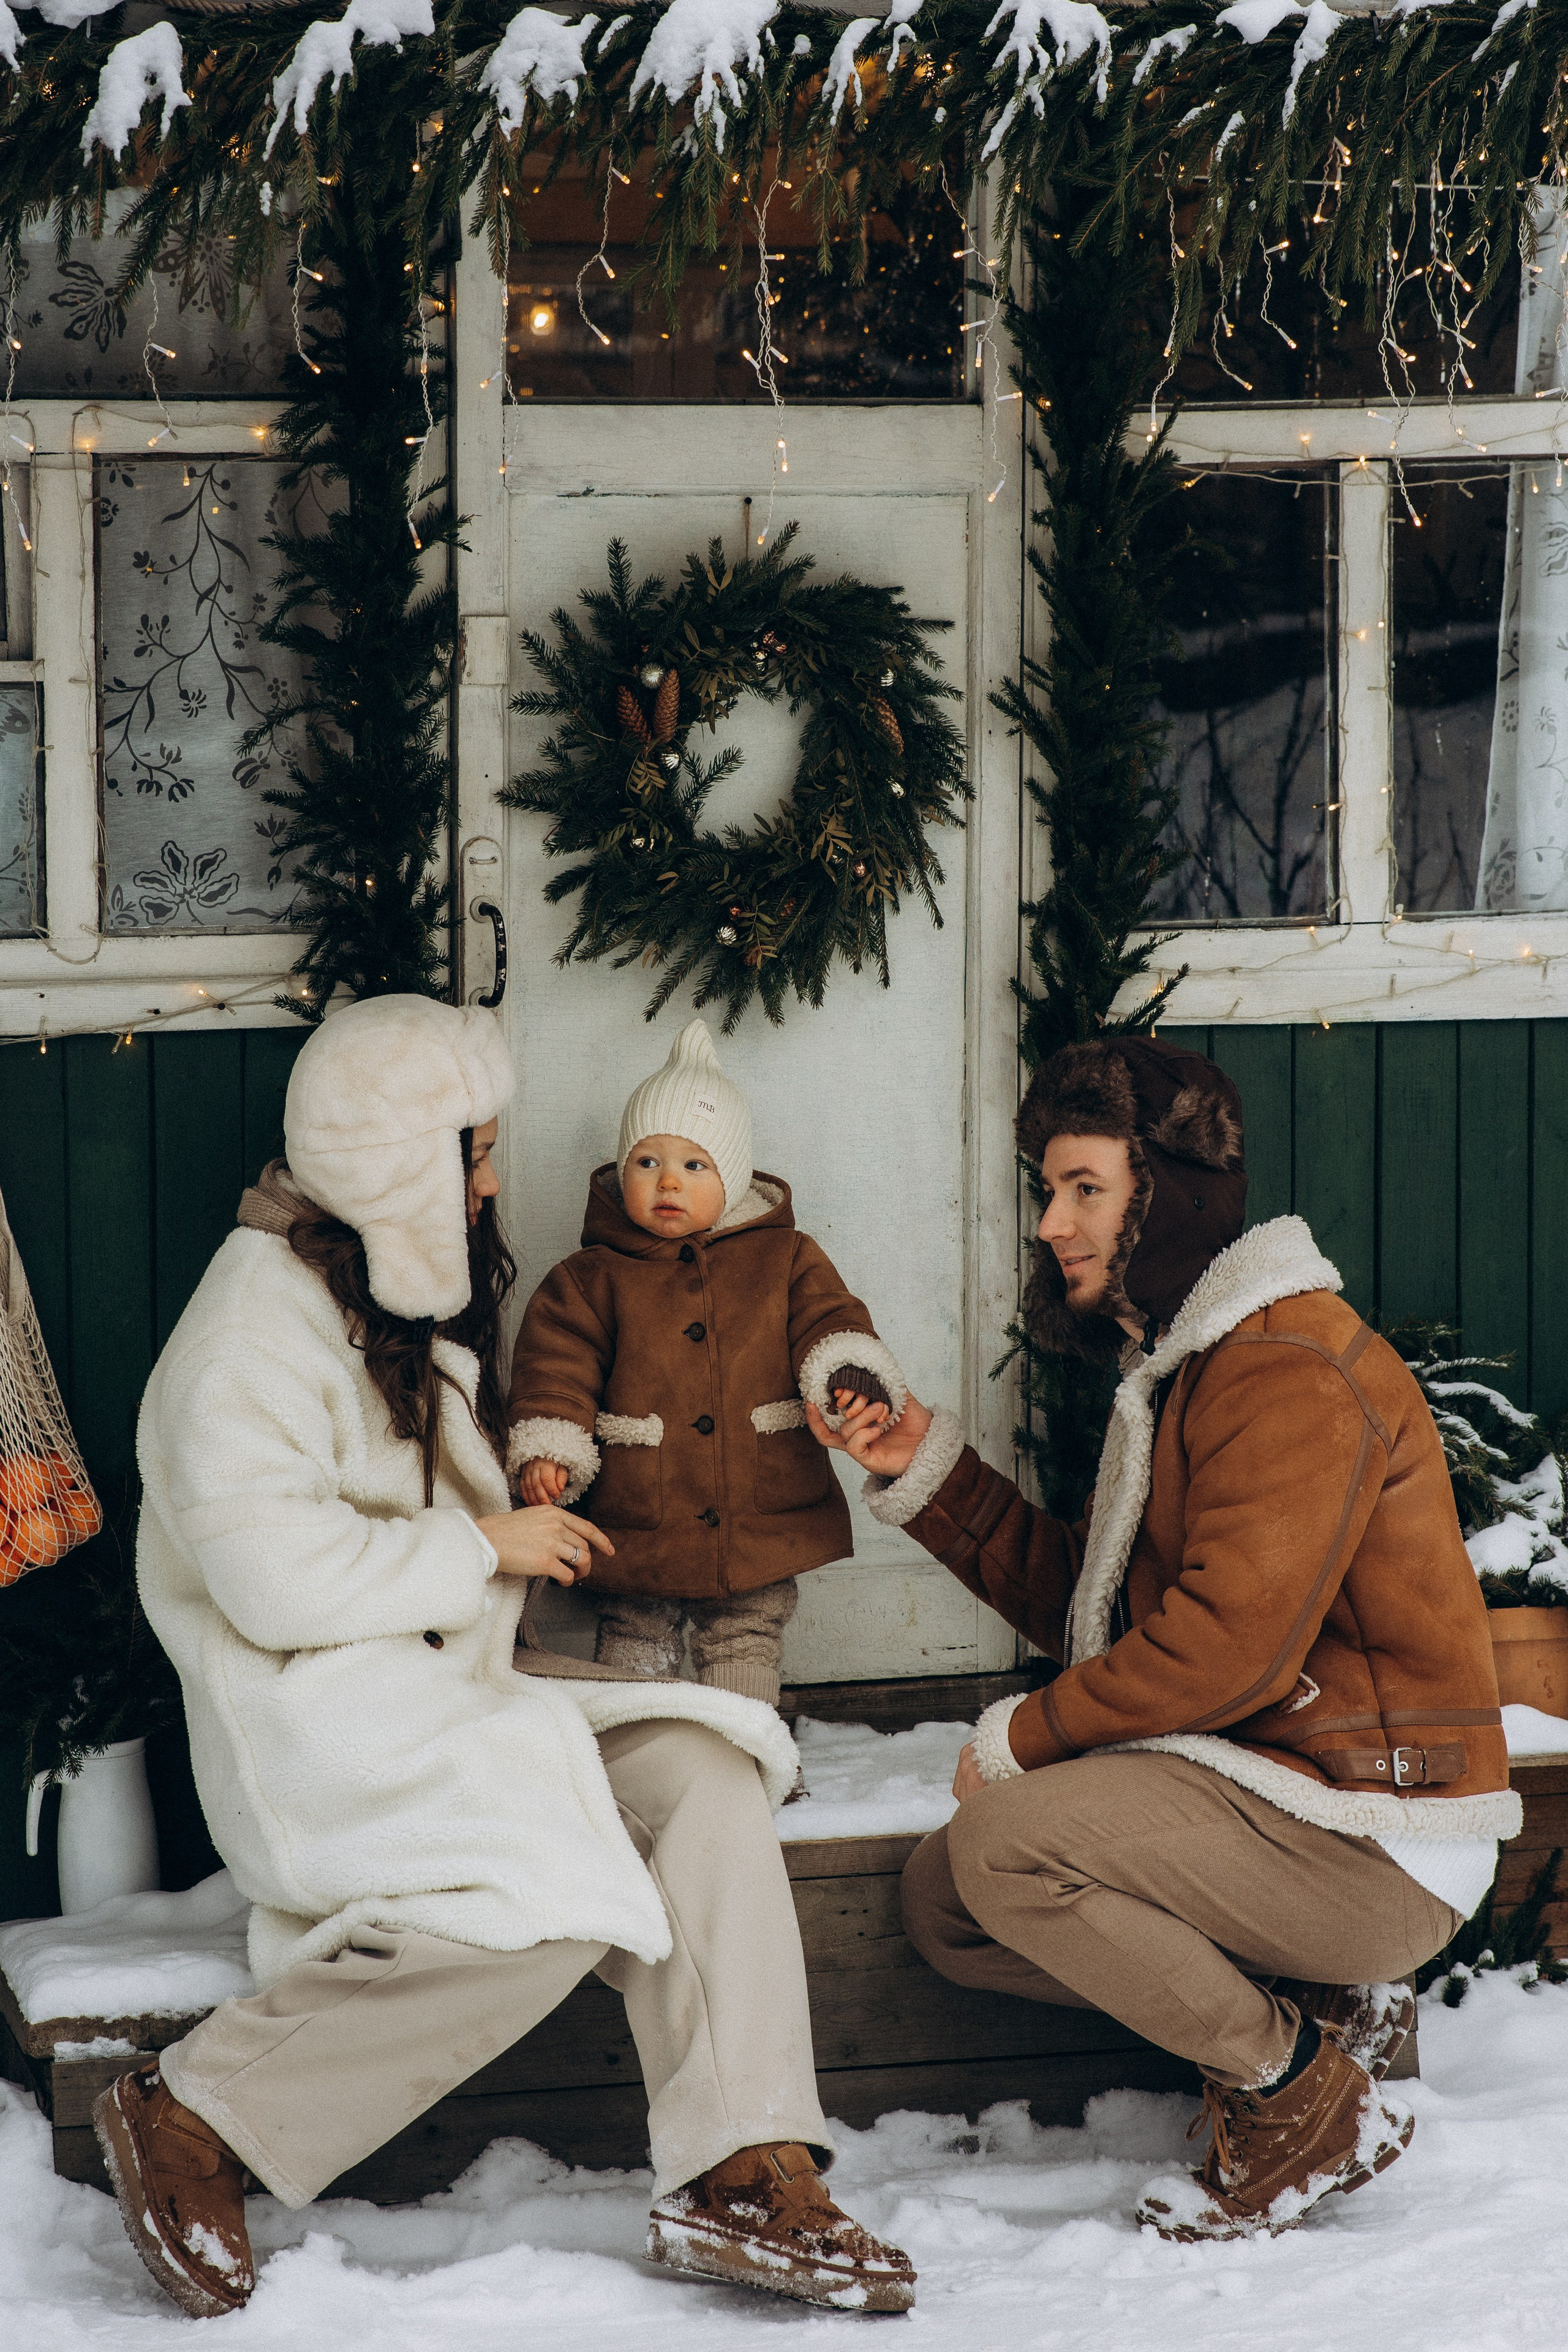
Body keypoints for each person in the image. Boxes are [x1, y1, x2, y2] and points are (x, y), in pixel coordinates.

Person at [95, 995, 914, 2320]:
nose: (488, 1182)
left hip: (457, 1688)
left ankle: (742, 2159)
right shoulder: (243, 1335)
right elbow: (270, 1578)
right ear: (398, 1162)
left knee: (703, 1765)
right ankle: (195, 2107)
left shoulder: (370, 1293)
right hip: (327, 1720)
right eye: (471, 1154)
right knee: (544, 1890)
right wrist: (485, 1546)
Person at [808, 1033, 1521, 2244]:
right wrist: (924, 1472)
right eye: (1048, 1189)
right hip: (1280, 1794)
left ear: (1167, 1196)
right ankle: (1314, 2011)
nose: (1049, 1222)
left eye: (1083, 1188)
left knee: (1002, 1851)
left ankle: (1296, 2093)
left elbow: (1222, 1649)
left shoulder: (1285, 1364)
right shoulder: (1187, 1366)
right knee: (946, 1897)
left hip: (1374, 1827)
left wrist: (1022, 1737)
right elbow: (1104, 1619)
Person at [507, 1017, 908, 1709]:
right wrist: (551, 1445)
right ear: (620, 1171)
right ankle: (639, 1753)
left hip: (759, 1499)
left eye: (695, 1165)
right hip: (642, 1509)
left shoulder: (785, 1258)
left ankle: (746, 1752)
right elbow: (556, 1366)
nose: (668, 1182)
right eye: (647, 1162)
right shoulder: (590, 1277)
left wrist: (850, 1374)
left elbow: (829, 1319)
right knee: (635, 1628)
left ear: (735, 1175)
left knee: (746, 1630)